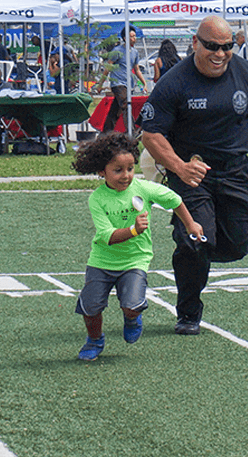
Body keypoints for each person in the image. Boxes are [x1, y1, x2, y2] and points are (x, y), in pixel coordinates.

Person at [139, 15, 248, 335]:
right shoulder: (174, 81)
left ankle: (198, 251)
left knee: (236, 247)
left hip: (235, 171)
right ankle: (188, 310)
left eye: (226, 47)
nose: (219, 54)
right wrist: (179, 167)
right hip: (191, 174)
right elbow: (150, 134)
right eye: (212, 47)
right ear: (195, 43)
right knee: (197, 239)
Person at [69, 133, 204, 360]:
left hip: (135, 261)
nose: (126, 176)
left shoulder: (144, 188)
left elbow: (175, 200)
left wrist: (191, 224)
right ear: (101, 171)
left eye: (130, 168)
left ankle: (131, 318)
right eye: (118, 170)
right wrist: (134, 230)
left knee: (131, 306)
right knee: (91, 308)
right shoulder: (97, 199)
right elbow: (106, 236)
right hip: (102, 262)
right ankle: (94, 339)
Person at [102, 26, 141, 133]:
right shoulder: (117, 51)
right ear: (125, 38)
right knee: (126, 104)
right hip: (118, 84)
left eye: (134, 36)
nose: (134, 38)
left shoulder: (135, 52)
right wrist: (100, 83)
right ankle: (131, 131)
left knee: (115, 111)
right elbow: (108, 68)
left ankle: (105, 134)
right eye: (131, 36)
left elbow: (137, 69)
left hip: (128, 84)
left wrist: (143, 83)